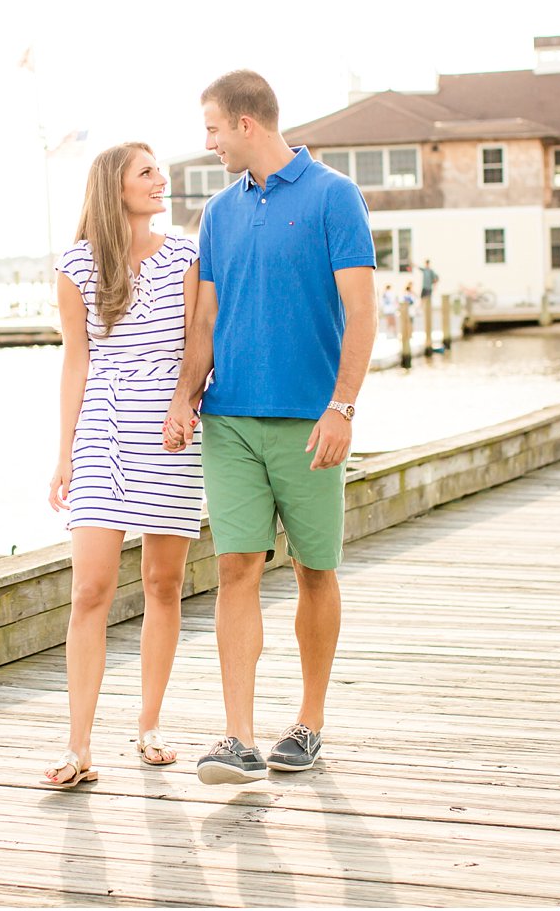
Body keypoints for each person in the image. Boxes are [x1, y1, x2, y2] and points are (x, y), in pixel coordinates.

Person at [163, 70, 376, 784]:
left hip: (311, 423)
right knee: (235, 567)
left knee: (316, 569)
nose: (209, 142)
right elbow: (205, 320)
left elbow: (363, 313)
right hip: (231, 423)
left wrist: (342, 406)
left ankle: (309, 723)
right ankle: (238, 738)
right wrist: (184, 397)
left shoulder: (334, 197)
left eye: (214, 129)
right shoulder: (219, 214)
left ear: (247, 124)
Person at [45, 142, 204, 787]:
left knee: (164, 584)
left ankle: (149, 724)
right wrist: (63, 453)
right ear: (115, 186)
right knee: (90, 591)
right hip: (101, 439)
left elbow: (200, 342)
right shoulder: (77, 266)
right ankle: (78, 746)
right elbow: (75, 360)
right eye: (147, 172)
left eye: (159, 171)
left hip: (169, 436)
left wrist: (184, 403)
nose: (160, 180)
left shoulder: (187, 257)